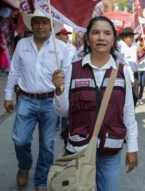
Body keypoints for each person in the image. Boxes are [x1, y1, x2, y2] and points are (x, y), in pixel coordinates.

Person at [52, 16, 138, 191]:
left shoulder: (122, 72)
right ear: (87, 39)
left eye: (107, 33)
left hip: (111, 150)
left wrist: (133, 147)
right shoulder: (73, 69)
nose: (101, 37)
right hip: (78, 150)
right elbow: (63, 112)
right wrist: (59, 90)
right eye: (96, 32)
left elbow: (128, 111)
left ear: (113, 40)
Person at [3, 9, 71, 191]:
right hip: (26, 100)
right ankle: (24, 167)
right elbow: (15, 71)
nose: (40, 26)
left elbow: (68, 78)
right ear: (31, 25)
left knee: (47, 145)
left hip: (51, 102)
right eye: (37, 22)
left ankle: (41, 180)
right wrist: (8, 95)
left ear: (51, 26)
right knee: (20, 140)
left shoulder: (61, 49)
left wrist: (62, 93)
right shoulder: (22, 44)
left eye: (44, 22)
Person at [117, 27, 138, 106]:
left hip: (131, 76)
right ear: (125, 37)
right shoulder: (120, 47)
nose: (133, 39)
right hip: (123, 78)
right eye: (131, 37)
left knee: (132, 100)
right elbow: (125, 65)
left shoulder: (131, 46)